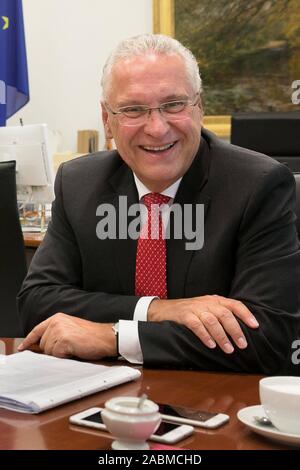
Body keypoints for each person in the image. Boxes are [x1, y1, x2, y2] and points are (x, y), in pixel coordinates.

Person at [17, 34, 300, 373]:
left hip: (213, 402)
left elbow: (271, 337)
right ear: (108, 120)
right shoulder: (79, 183)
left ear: (199, 107)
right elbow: (36, 302)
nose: (157, 127)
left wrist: (116, 337)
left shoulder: (258, 185)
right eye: (134, 109)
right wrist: (157, 310)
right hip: (101, 401)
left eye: (173, 105)